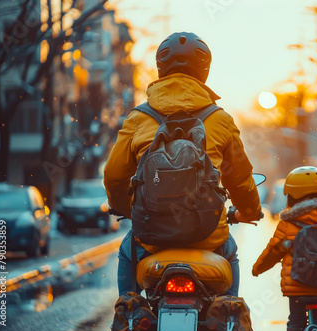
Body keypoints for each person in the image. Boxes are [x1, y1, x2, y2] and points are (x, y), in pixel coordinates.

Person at [104, 31, 261, 297]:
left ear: (160, 68)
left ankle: (128, 314)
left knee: (127, 251)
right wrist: (248, 210)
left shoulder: (138, 119)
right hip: (208, 237)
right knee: (230, 252)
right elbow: (240, 178)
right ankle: (229, 312)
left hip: (151, 238)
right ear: (204, 71)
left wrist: (125, 207)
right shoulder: (221, 120)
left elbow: (114, 175)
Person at [252, 166, 317, 331]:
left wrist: (258, 268)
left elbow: (274, 250)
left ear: (292, 195)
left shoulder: (288, 222)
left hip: (297, 285)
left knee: (296, 319)